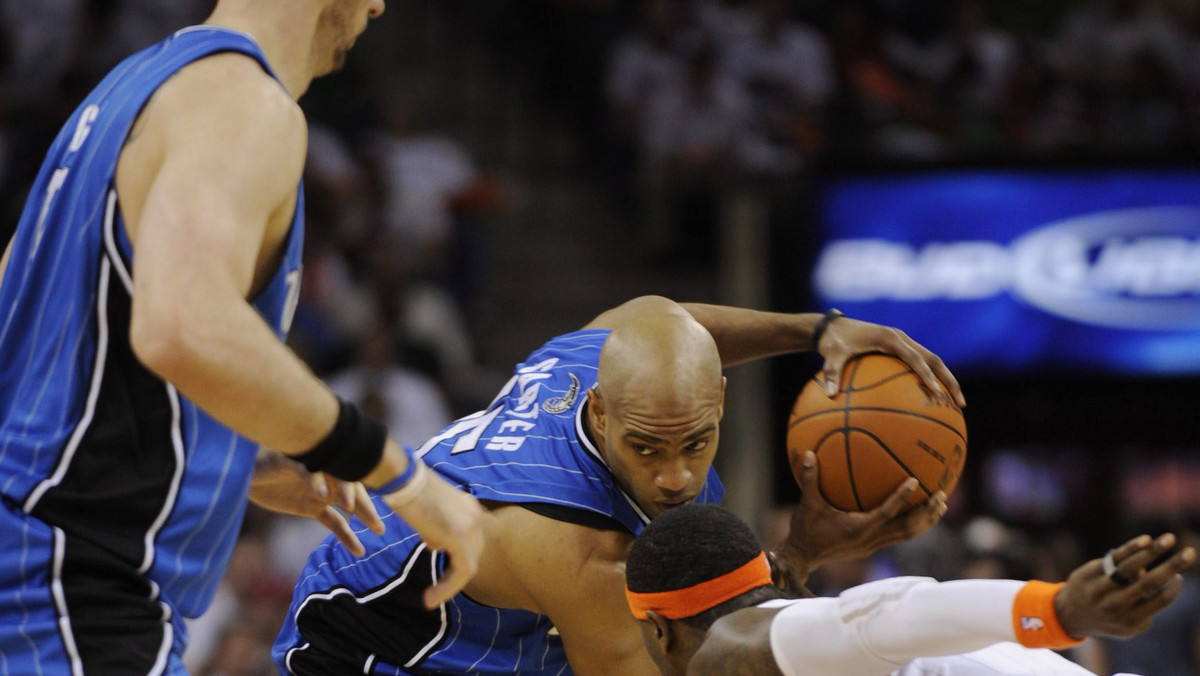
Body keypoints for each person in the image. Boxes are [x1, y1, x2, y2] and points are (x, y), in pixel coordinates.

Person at [0, 1, 484, 673]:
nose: (378, 5)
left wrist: (231, 456)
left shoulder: (130, 88)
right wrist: (396, 473)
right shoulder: (244, 102)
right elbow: (182, 326)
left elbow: (28, 332)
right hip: (66, 591)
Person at [273, 295, 963, 675]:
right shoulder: (578, 547)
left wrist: (821, 330)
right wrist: (803, 552)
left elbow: (670, 321)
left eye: (696, 443)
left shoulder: (592, 355)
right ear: (599, 413)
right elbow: (707, 666)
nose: (677, 478)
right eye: (647, 449)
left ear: (719, 401)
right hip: (364, 651)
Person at [624, 503, 1198, 676]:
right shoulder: (795, 637)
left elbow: (890, 616)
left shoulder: (728, 654)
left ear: (658, 629)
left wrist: (1056, 610)